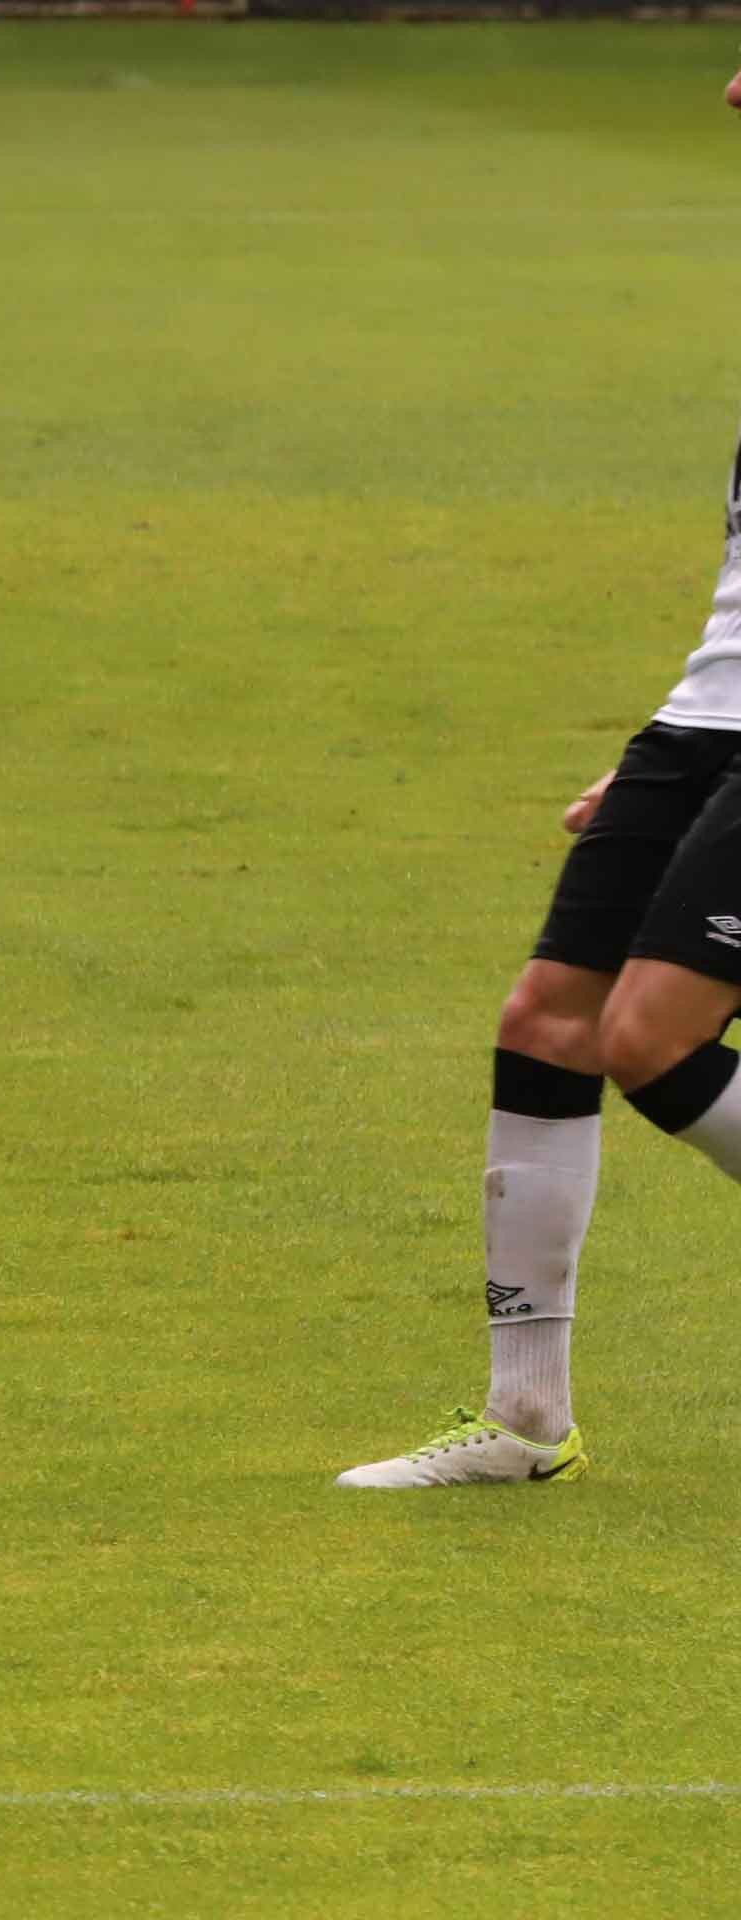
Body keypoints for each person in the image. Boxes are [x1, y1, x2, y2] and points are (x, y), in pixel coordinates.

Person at [341, 297, 741, 1488]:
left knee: (647, 1037)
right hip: (702, 717)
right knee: (548, 1025)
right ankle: (524, 1419)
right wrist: (673, 740)